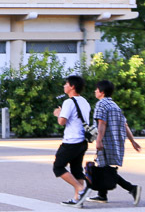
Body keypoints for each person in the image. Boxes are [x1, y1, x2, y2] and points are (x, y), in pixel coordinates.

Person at [87, 80, 142, 205]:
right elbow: (125, 124)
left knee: (106, 170)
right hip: (116, 142)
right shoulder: (115, 106)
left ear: (101, 92)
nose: (95, 91)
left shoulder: (101, 104)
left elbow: (102, 123)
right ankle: (102, 195)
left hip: (106, 141)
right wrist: (133, 141)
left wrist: (99, 140)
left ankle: (132, 188)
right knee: (104, 167)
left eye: (96, 89)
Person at [53, 75, 90, 207]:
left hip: (71, 141)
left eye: (66, 84)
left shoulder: (68, 102)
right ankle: (77, 199)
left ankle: (80, 189)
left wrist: (58, 113)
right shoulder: (85, 102)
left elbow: (62, 121)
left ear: (72, 86)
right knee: (76, 169)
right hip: (82, 141)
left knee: (58, 167)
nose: (64, 86)